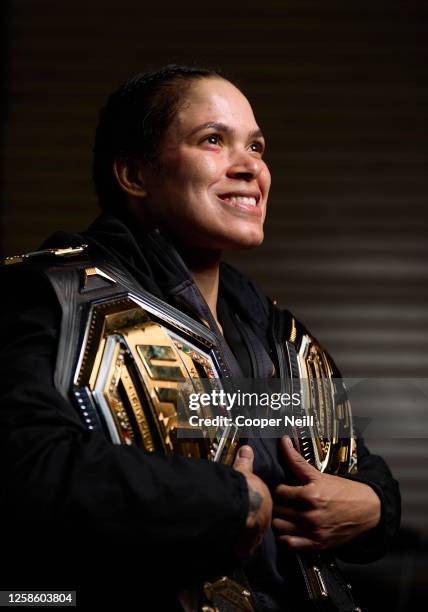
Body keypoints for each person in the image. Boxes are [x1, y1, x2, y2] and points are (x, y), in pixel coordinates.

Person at [0, 65, 400, 611]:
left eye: (256, 147)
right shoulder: (43, 295)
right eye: (213, 140)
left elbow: (350, 464)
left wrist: (376, 506)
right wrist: (223, 501)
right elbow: (28, 472)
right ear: (134, 175)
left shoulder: (270, 328)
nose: (250, 168)